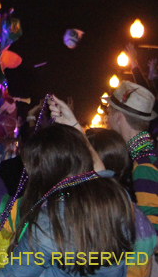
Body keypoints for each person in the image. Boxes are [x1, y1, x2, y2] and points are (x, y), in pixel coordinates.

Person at [0, 123, 136, 277]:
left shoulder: (51, 219)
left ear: (43, 171)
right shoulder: (116, 195)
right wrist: (75, 126)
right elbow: (99, 171)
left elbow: (10, 276)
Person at [53, 83, 158, 235]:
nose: (106, 118)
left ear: (119, 117)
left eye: (109, 112)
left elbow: (150, 230)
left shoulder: (144, 164)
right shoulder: (147, 153)